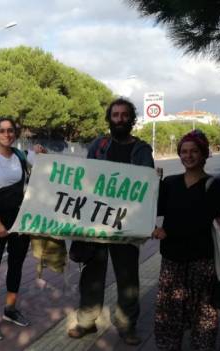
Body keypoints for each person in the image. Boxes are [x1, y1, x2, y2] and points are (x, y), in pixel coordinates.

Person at [67, 97, 154, 345]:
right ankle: (86, 322)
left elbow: (146, 188)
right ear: (109, 118)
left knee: (128, 278)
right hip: (96, 222)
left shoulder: (142, 150)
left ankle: (127, 326)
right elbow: (83, 178)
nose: (119, 119)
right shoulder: (99, 145)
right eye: (115, 115)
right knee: (92, 275)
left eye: (124, 115)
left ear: (132, 119)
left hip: (126, 225)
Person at [151, 130, 220, 350]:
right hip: (172, 260)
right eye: (184, 151)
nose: (188, 156)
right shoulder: (170, 182)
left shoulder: (215, 185)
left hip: (201, 261)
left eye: (194, 151)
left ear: (204, 154)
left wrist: (169, 233)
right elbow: (156, 209)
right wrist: (152, 185)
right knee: (168, 314)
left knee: (202, 314)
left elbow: (204, 222)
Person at [0, 118, 46, 340]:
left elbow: (38, 170)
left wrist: (39, 153)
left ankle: (10, 309)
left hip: (19, 219)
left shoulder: (20, 156)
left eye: (11, 131)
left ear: (15, 133)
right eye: (2, 131)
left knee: (16, 264)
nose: (7, 134)